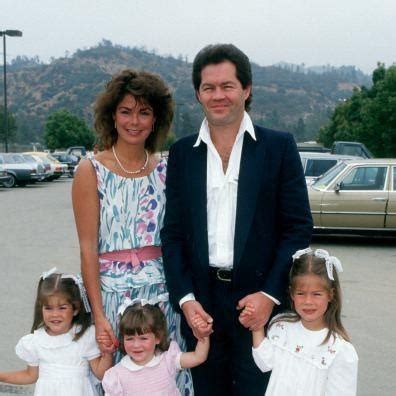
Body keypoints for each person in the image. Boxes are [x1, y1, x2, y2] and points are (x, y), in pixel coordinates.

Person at [160, 43, 313, 395]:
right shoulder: (183, 153)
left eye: (227, 86)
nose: (218, 95)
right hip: (202, 305)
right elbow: (173, 235)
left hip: (258, 303)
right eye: (208, 87)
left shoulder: (279, 147)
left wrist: (270, 295)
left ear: (246, 89)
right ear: (198, 93)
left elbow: (297, 228)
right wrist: (185, 301)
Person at [72, 69, 193, 393]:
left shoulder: (168, 170)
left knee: (165, 381)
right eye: (126, 111)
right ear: (112, 116)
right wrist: (98, 315)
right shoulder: (90, 170)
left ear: (156, 119)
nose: (134, 121)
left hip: (162, 298)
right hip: (112, 301)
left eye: (144, 112)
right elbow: (87, 249)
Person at [247, 248, 358, 395]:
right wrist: (257, 326)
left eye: (317, 294)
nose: (308, 301)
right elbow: (265, 362)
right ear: (292, 293)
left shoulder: (339, 351)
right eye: (301, 293)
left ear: (331, 295)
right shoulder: (281, 326)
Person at [0, 268, 112, 396]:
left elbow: (101, 374)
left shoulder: (85, 336)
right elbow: (30, 376)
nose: (55, 314)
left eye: (62, 308)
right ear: (41, 308)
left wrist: (107, 353)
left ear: (75, 309)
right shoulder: (35, 341)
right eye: (48, 308)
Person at [102, 296, 209, 395]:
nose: (136, 345)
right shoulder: (117, 375)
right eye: (129, 339)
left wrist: (203, 333)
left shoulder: (168, 360)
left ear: (158, 337)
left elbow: (198, 357)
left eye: (143, 338)